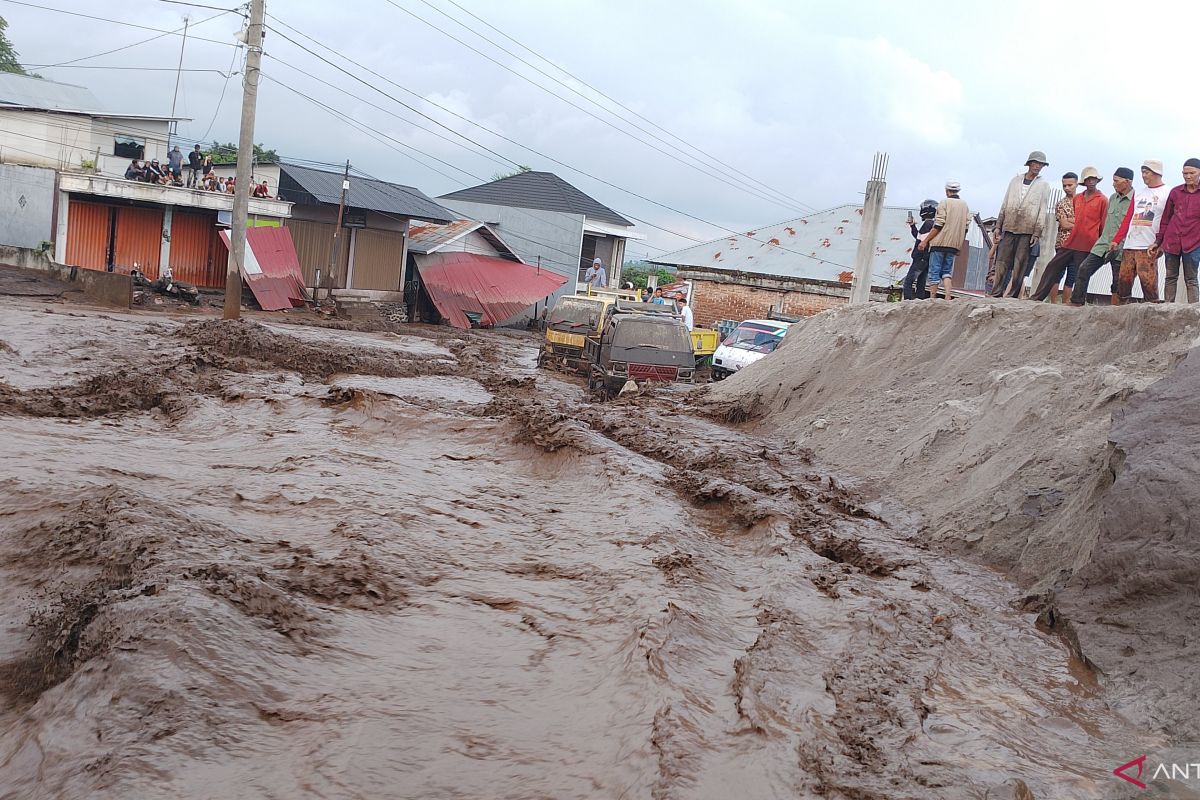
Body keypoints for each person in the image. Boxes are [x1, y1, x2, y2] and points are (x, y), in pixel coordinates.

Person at [1032, 167, 1108, 303]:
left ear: (1097, 180)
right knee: (1053, 267)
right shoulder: (1078, 198)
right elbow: (1075, 219)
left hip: (1087, 242)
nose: (1091, 181)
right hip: (1070, 241)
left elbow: (1102, 223)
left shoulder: (1102, 199)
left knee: (1079, 274)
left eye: (1094, 179)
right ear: (1084, 182)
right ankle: (1037, 297)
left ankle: (1077, 301)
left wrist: (1099, 243)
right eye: (1088, 179)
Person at [1070, 167, 1136, 307]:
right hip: (1103, 243)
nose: (1113, 184)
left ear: (1127, 181)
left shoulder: (1136, 200)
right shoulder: (1112, 198)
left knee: (1118, 281)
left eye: (1116, 181)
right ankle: (1076, 302)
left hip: (1121, 246)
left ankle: (1116, 310)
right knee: (1084, 269)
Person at [991, 150, 1052, 297]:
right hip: (1010, 225)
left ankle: (1012, 294)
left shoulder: (1043, 185)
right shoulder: (1015, 181)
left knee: (1020, 264)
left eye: (1040, 165)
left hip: (1027, 229)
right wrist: (998, 226)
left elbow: (1042, 210)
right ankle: (996, 293)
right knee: (1001, 262)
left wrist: (1037, 232)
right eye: (1035, 163)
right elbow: (1005, 203)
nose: (1037, 167)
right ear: (1029, 164)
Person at [1110, 160, 1169, 303]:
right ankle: (1121, 312)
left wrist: (1161, 243)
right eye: (1142, 172)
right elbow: (1128, 218)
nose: (1143, 176)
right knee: (1123, 282)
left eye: (1146, 172)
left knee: (1148, 283)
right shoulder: (1139, 193)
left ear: (1156, 173)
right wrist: (1117, 239)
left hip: (1148, 245)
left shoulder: (1167, 192)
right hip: (1130, 244)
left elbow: (1169, 220)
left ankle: (1151, 316)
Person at [1156, 158, 1200, 304]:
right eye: (1185, 173)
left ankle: (1194, 311)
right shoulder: (1175, 192)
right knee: (1170, 277)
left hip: (1194, 243)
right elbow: (1165, 219)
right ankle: (1168, 308)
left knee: (1191, 279)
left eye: (1191, 173)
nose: (1188, 176)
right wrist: (1159, 241)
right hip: (1172, 241)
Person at [917, 181, 971, 300]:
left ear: (947, 191)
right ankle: (947, 296)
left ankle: (932, 297)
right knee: (946, 272)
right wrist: (959, 245)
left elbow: (938, 225)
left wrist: (925, 241)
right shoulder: (964, 205)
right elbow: (965, 228)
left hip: (940, 243)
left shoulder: (944, 203)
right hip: (953, 245)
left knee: (934, 272)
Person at [902, 200, 937, 299]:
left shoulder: (927, 224)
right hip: (927, 259)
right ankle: (919, 302)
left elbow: (922, 241)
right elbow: (920, 238)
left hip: (920, 258)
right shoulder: (933, 225)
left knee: (908, 283)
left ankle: (907, 303)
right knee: (921, 284)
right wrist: (912, 226)